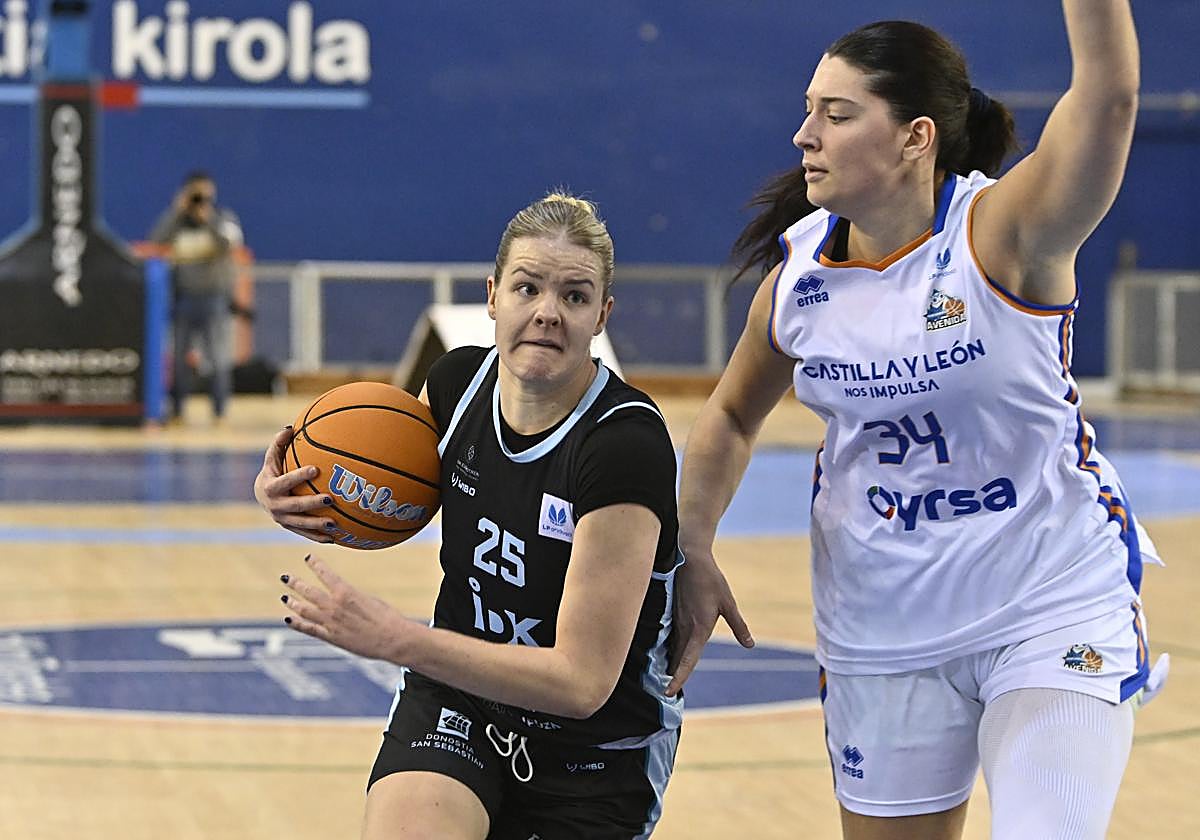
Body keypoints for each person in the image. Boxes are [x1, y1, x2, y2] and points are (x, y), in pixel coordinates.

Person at [668, 4, 1169, 839]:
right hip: (881, 625)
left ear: (915, 136)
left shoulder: (1002, 233)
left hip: (1047, 601)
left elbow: (1110, 96)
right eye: (808, 110)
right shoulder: (799, 278)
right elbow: (727, 415)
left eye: (837, 113)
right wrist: (692, 545)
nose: (805, 135)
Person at [254, 193, 683, 840]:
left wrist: (396, 639)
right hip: (459, 702)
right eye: (527, 287)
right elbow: (395, 499)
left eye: (573, 296)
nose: (546, 312)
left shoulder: (623, 445)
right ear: (492, 296)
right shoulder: (454, 386)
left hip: (595, 751)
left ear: (602, 315)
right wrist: (306, 499)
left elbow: (580, 682)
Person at [149, 170, 244, 424]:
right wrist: (176, 212)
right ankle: (177, 411)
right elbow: (156, 241)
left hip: (214, 300)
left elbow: (230, 242)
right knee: (178, 360)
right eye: (195, 194)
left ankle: (219, 412)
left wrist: (208, 219)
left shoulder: (222, 218)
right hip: (183, 301)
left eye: (204, 194)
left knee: (217, 359)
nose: (200, 200)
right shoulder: (176, 223)